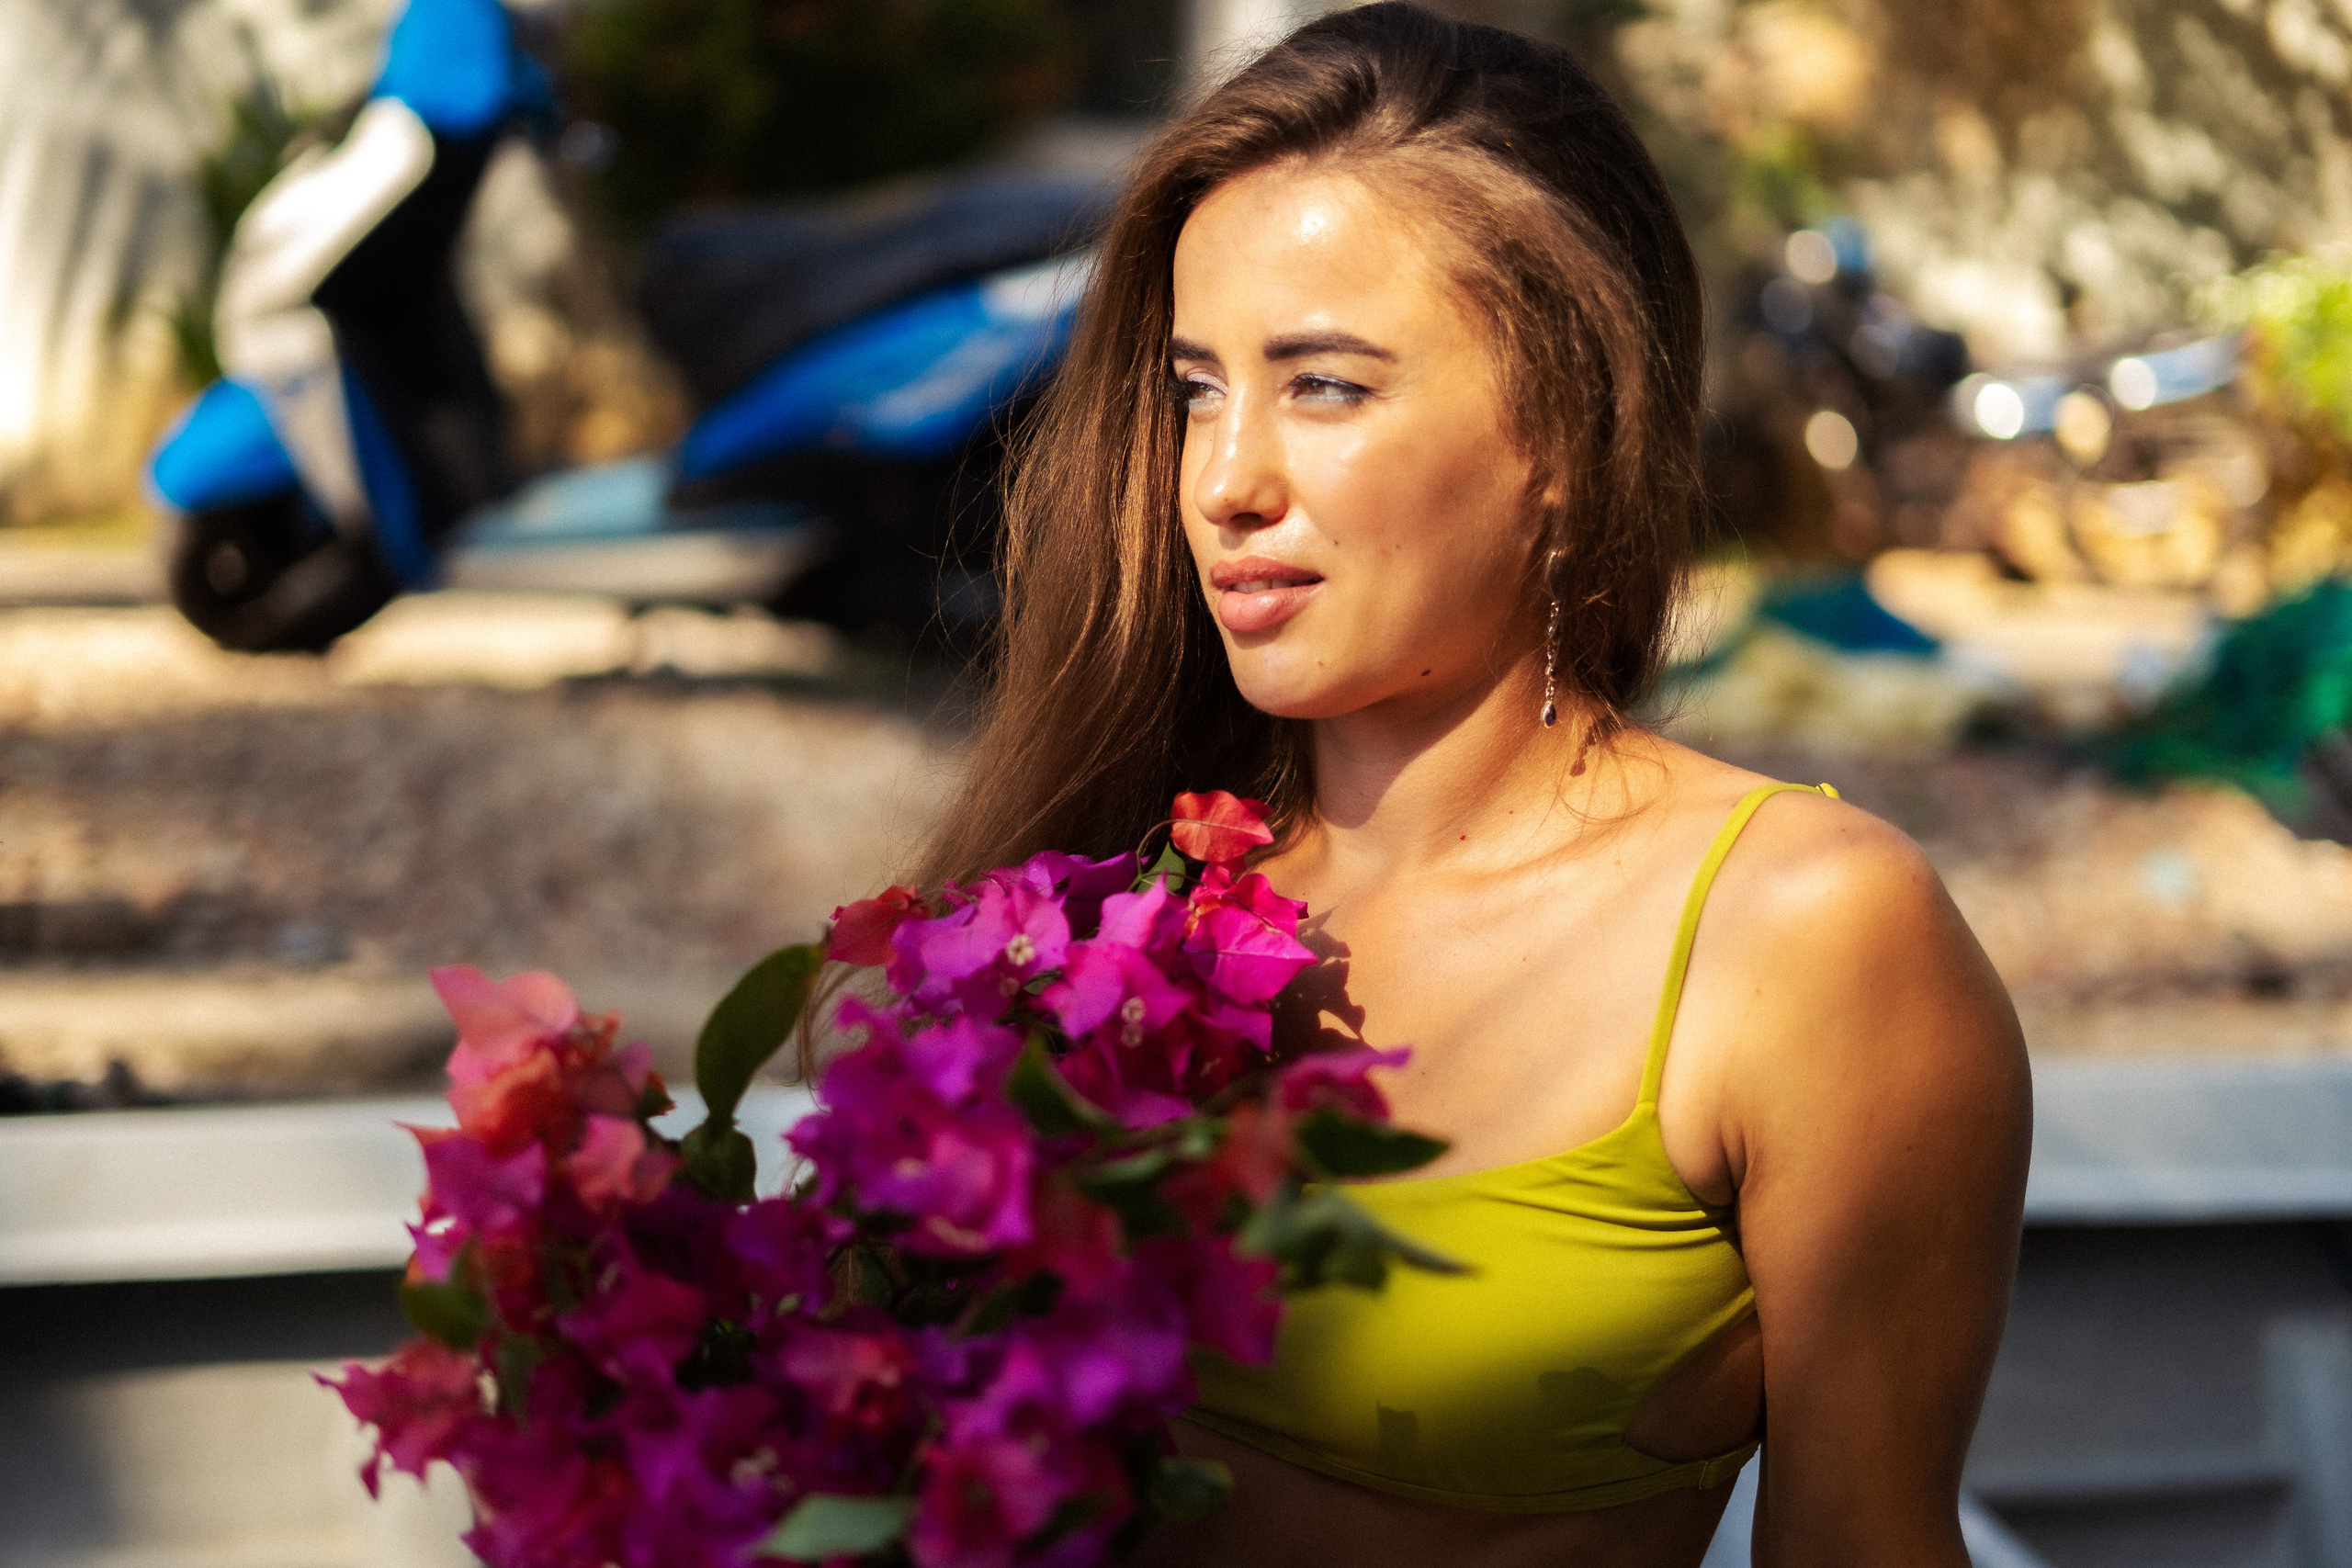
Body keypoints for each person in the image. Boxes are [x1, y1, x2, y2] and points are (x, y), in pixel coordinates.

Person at [911, 6, 2032, 1564]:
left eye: (1325, 388)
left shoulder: (1804, 940)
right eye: (1194, 390)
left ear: (1567, 427)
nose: (1224, 480)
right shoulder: (1111, 896)